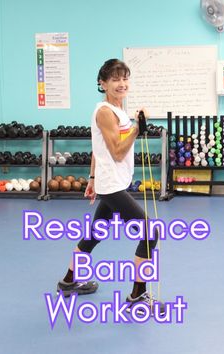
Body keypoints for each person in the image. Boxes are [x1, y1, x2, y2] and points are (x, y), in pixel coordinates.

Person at [57, 59, 164, 316]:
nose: (121, 83)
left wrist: (92, 180)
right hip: (113, 185)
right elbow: (116, 152)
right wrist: (138, 129)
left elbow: (99, 149)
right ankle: (137, 296)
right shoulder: (105, 111)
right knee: (150, 231)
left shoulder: (118, 110)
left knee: (95, 234)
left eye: (124, 78)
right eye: (114, 79)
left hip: (110, 182)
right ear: (102, 83)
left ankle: (68, 281)